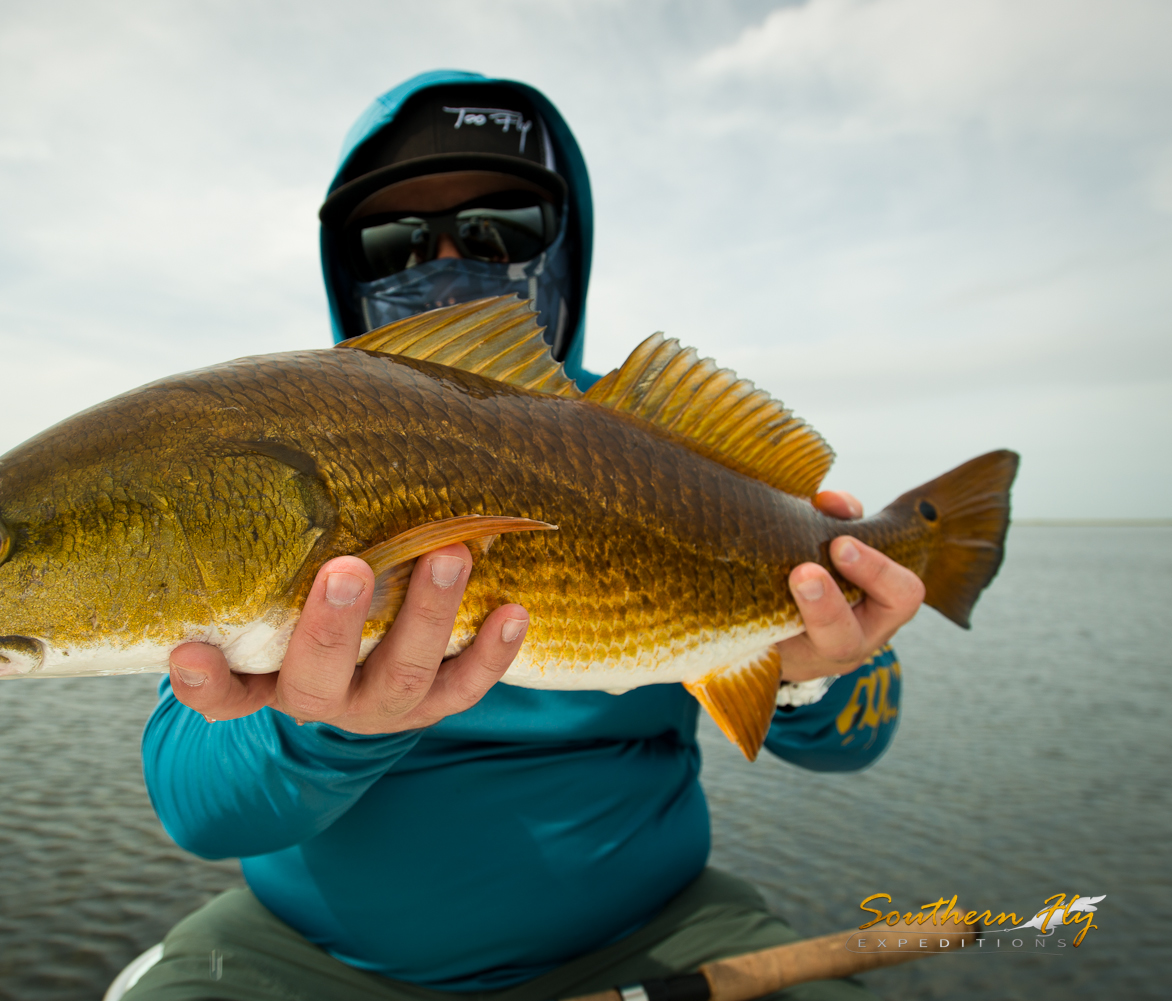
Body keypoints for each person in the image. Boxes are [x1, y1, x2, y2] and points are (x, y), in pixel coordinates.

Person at [123, 71, 924, 1001]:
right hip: (312, 957)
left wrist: (811, 670)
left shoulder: (671, 456)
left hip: (656, 939)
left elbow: (853, 741)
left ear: (567, 244)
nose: (449, 258)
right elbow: (198, 805)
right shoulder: (281, 451)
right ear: (347, 266)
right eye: (394, 239)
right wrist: (325, 728)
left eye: (504, 224)